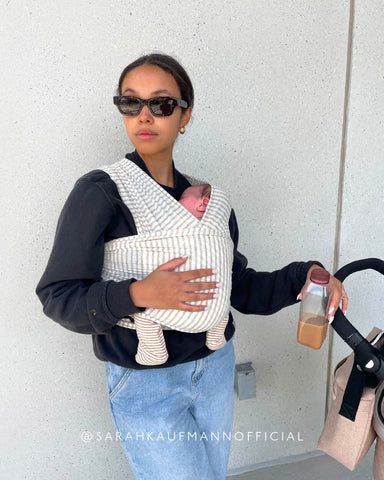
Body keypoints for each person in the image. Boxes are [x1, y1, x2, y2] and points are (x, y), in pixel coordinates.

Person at [35, 53, 348, 480]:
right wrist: (138, 294)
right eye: (131, 103)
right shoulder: (101, 192)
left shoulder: (211, 202)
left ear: (185, 114)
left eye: (161, 104)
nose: (144, 115)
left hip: (215, 367)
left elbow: (239, 288)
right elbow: (58, 295)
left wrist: (306, 275)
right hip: (146, 381)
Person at [105, 182, 231, 367]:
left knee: (143, 314)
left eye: (181, 198)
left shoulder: (170, 224)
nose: (175, 202)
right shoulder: (222, 234)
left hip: (178, 310)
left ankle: (155, 352)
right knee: (223, 296)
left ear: (202, 204)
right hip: (215, 313)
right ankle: (215, 337)